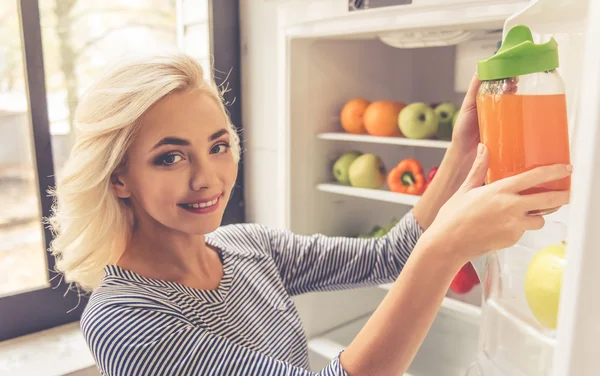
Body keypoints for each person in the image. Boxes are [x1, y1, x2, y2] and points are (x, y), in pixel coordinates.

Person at [47, 50, 571, 376]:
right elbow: (419, 256)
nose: (207, 177)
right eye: (171, 156)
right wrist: (444, 250)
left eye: (218, 145)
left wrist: (461, 149)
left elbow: (387, 257)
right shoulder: (124, 320)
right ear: (118, 177)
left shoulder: (246, 248)